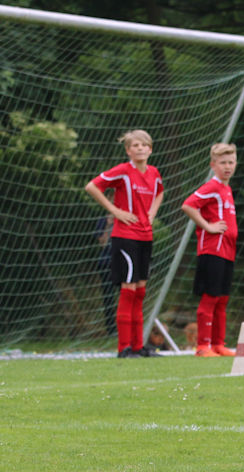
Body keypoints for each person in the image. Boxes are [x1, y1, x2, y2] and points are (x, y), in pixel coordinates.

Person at [84, 129, 164, 358]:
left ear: (150, 149)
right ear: (128, 150)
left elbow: (160, 192)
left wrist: (151, 213)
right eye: (135, 146)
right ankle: (124, 348)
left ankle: (139, 346)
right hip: (125, 237)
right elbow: (92, 186)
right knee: (128, 290)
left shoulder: (154, 173)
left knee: (140, 291)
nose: (140, 149)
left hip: (145, 236)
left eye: (144, 145)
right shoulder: (123, 171)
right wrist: (114, 210)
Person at [181, 143, 240, 357]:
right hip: (212, 249)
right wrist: (207, 226)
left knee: (222, 298)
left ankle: (218, 344)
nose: (227, 166)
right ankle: (202, 346)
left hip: (227, 250)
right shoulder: (212, 187)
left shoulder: (226, 188)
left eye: (230, 162)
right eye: (222, 162)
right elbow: (188, 204)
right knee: (210, 297)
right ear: (213, 165)